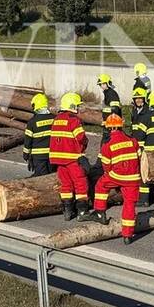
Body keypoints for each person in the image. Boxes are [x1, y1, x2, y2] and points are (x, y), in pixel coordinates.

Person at [88, 114, 142, 244]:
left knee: (101, 185)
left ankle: (100, 212)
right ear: (120, 126)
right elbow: (140, 158)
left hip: (117, 176)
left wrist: (112, 177)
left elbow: (105, 165)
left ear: (109, 128)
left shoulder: (108, 145)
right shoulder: (133, 141)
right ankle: (127, 235)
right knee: (129, 204)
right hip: (133, 178)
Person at [48, 92, 91, 221]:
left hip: (58, 160)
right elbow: (81, 137)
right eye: (77, 106)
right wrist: (84, 145)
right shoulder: (73, 120)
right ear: (72, 106)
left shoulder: (56, 120)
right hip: (72, 158)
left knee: (66, 185)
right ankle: (82, 211)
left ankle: (67, 210)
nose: (78, 109)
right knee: (81, 184)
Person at [22, 93, 55, 177]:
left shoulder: (32, 122)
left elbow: (28, 141)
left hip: (39, 156)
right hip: (52, 154)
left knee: (41, 177)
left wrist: (26, 154)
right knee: (51, 175)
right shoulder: (54, 118)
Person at [97, 73, 122, 142]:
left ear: (107, 83)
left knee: (109, 142)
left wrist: (112, 124)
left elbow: (115, 109)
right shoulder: (107, 93)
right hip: (108, 123)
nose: (100, 86)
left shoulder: (111, 94)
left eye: (101, 84)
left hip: (112, 125)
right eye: (100, 85)